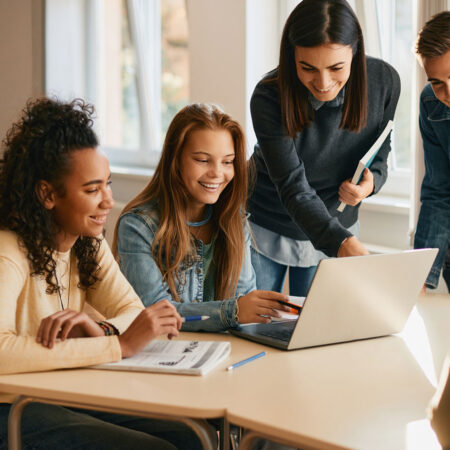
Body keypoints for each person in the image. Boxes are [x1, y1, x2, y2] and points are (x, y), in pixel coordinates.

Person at [0, 98, 203, 450]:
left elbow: (135, 314)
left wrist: (100, 331)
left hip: (61, 389)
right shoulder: (8, 252)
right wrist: (116, 345)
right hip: (10, 406)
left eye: (107, 184)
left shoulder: (87, 245)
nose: (108, 201)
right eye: (93, 190)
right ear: (47, 194)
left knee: (188, 434)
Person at [248, 0, 401, 296]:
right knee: (256, 326)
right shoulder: (268, 96)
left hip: (337, 224)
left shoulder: (385, 82)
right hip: (268, 222)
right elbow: (293, 186)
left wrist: (371, 183)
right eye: (307, 68)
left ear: (355, 52)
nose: (323, 83)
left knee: (320, 332)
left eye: (336, 68)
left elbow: (381, 150)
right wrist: (341, 242)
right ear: (291, 55)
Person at [114, 103, 290, 333]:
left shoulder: (233, 219)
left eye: (227, 162)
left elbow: (245, 299)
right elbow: (157, 312)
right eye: (202, 160)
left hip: (225, 352)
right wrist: (232, 311)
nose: (217, 173)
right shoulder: (138, 225)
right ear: (175, 160)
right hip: (169, 354)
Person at [413, 11, 450, 293]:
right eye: (437, 82)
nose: (448, 92)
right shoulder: (431, 103)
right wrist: (419, 276)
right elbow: (439, 191)